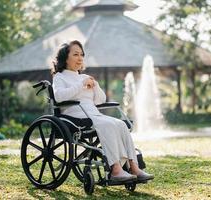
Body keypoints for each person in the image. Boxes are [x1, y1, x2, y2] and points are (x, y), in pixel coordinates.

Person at [52, 40, 153, 182]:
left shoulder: (83, 77)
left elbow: (100, 100)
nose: (80, 58)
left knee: (121, 124)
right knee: (108, 124)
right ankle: (116, 170)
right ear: (65, 58)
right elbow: (59, 96)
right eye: (75, 54)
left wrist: (95, 86)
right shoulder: (60, 77)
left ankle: (134, 166)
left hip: (92, 114)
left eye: (82, 54)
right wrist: (81, 85)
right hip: (74, 116)